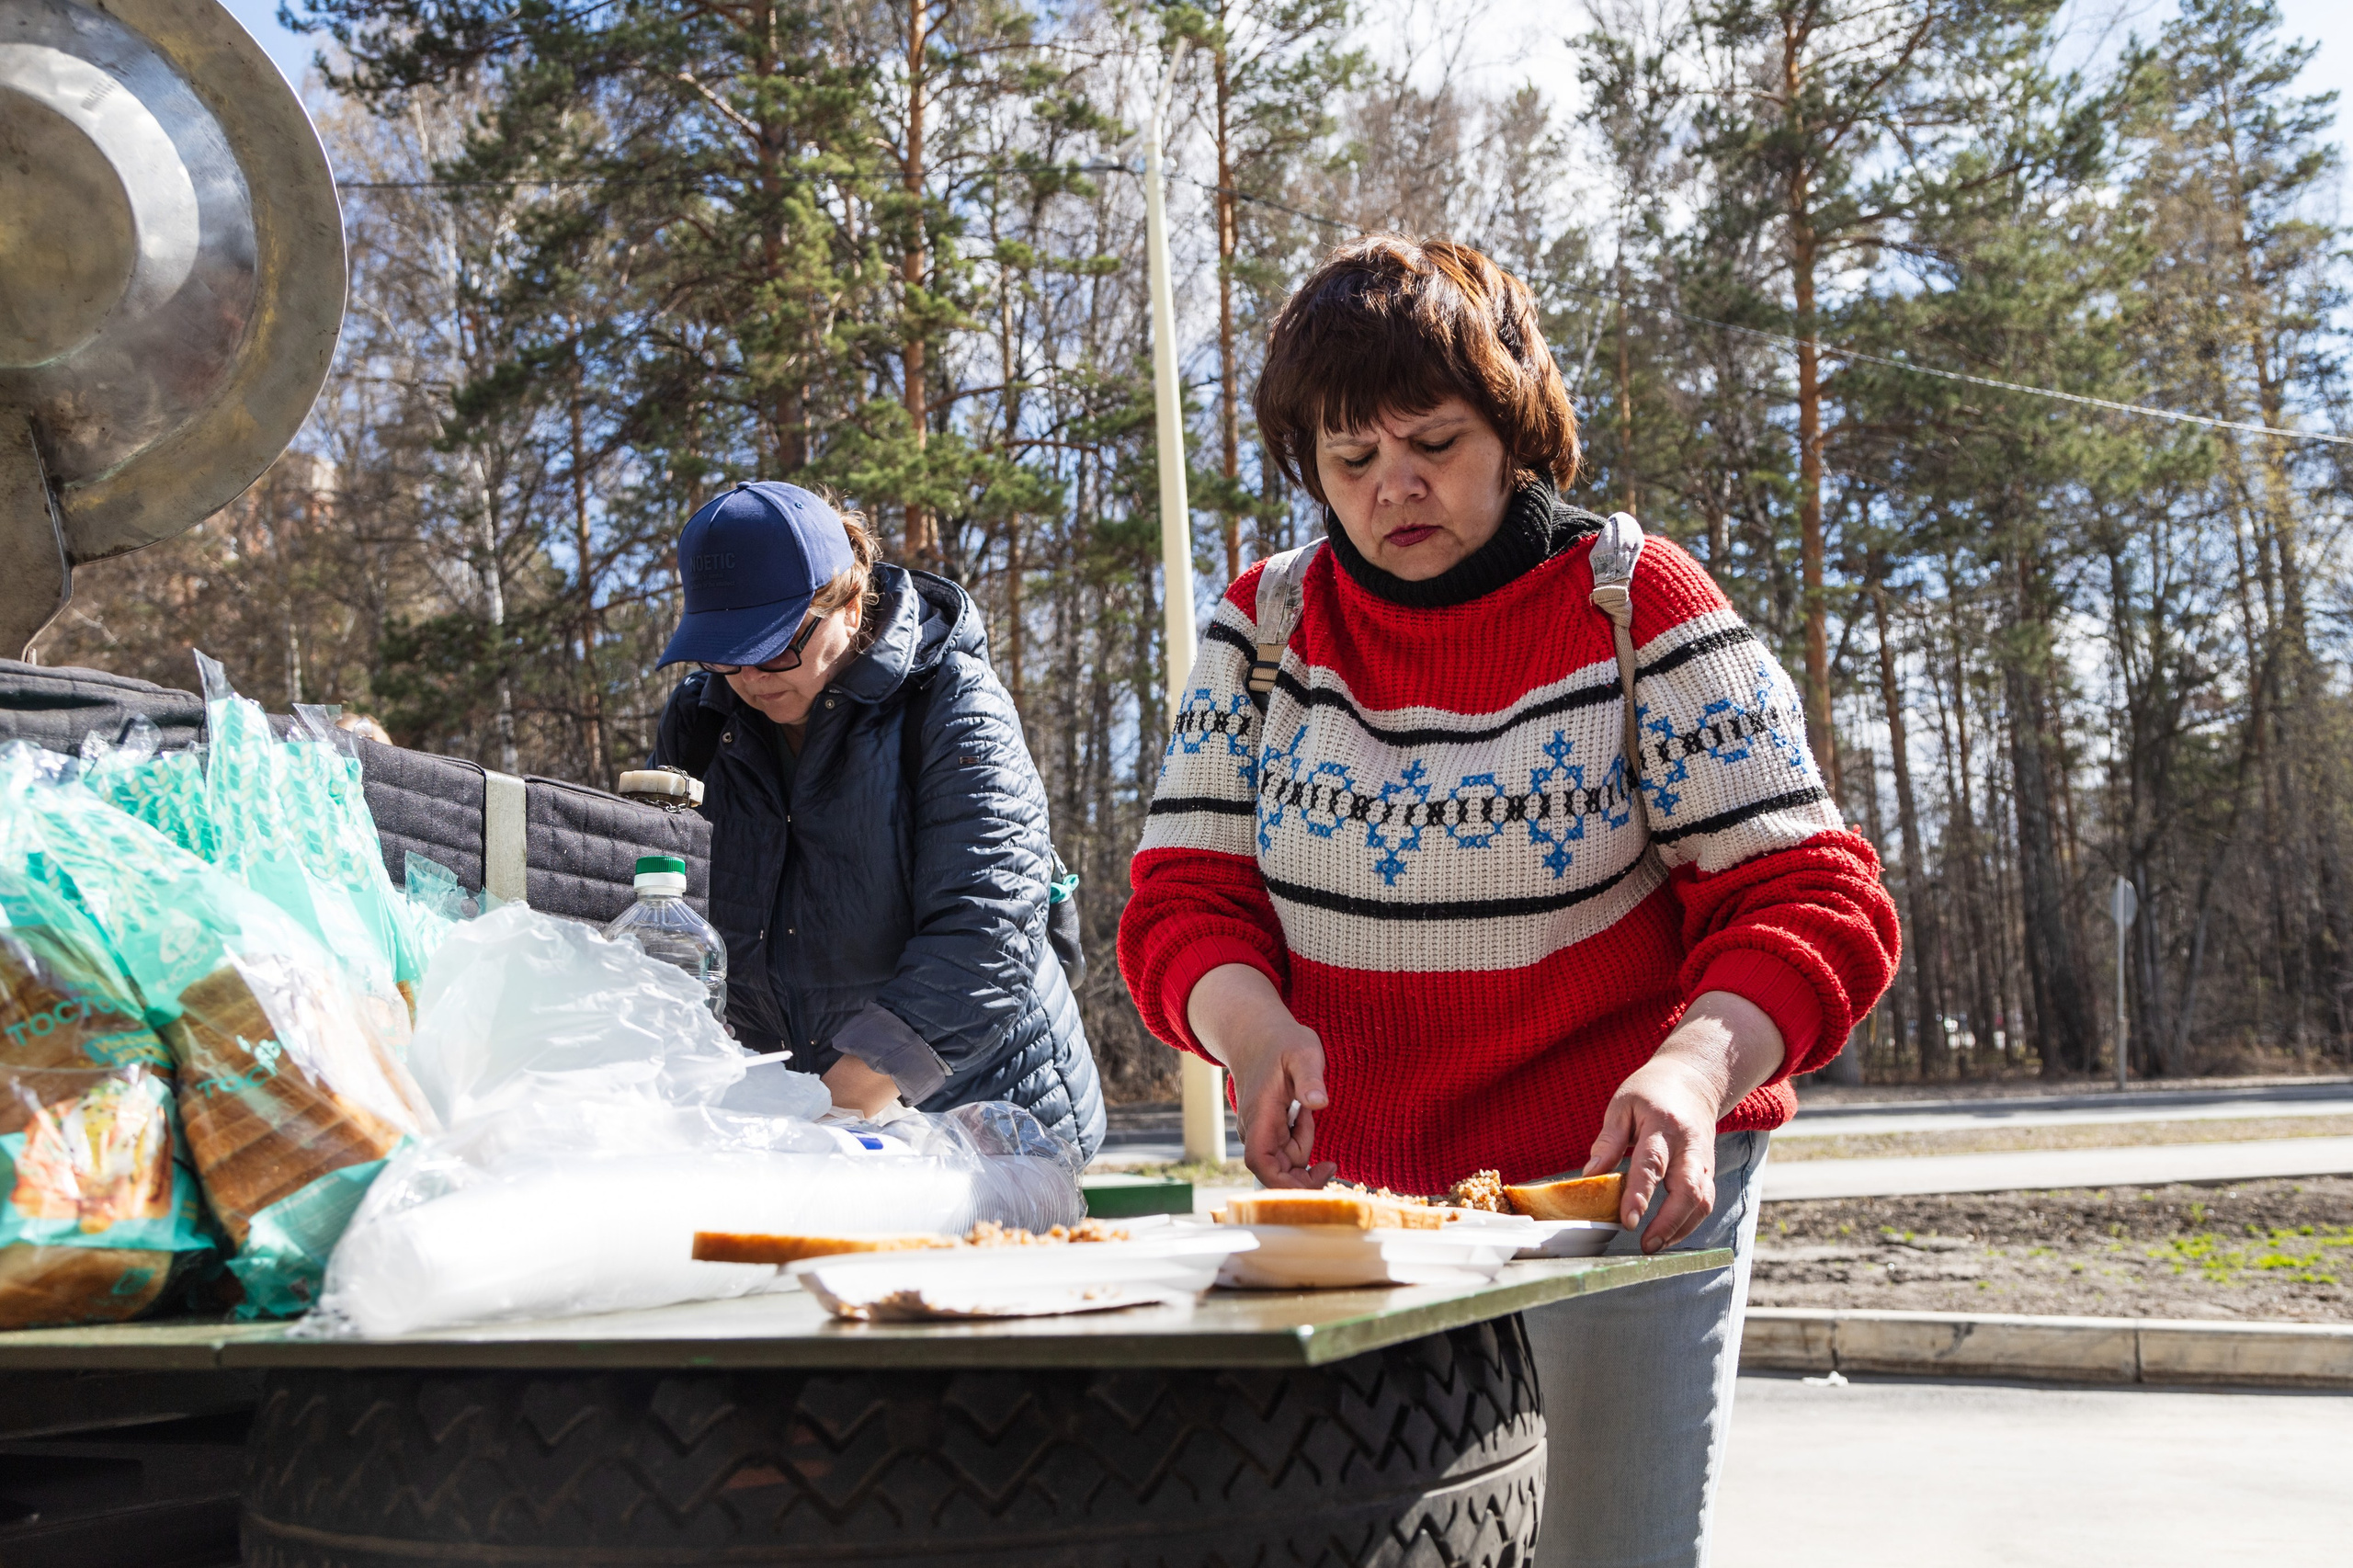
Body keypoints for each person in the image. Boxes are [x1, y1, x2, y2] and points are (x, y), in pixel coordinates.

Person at [1118, 236, 1898, 1566]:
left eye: (1435, 441)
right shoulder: (1264, 629)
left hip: (1620, 1191)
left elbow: (1813, 898)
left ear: (1517, 428)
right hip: (1366, 1206)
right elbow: (1186, 900)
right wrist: (1249, 1032)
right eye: (1350, 458)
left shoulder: (1636, 606)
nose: (1395, 485)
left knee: (1603, 1546)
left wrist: (1696, 1067)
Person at [651, 481, 1103, 1159]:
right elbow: (664, 913)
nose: (749, 676)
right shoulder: (700, 721)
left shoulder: (954, 701)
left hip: (986, 1125)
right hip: (803, 1131)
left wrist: (830, 1111)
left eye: (773, 646)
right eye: (724, 650)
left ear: (850, 606)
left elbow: (983, 935)